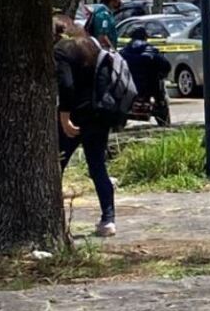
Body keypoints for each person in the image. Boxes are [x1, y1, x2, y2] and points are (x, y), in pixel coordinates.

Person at [54, 19, 118, 237]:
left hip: (75, 117)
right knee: (98, 166)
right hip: (99, 114)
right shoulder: (92, 45)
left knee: (55, 166)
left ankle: (54, 221)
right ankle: (108, 219)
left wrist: (64, 118)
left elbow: (67, 85)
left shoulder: (61, 50)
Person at [120, 27, 172, 126]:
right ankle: (163, 120)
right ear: (145, 38)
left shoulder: (123, 52)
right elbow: (166, 66)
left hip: (128, 87)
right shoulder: (151, 50)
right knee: (160, 92)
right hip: (150, 87)